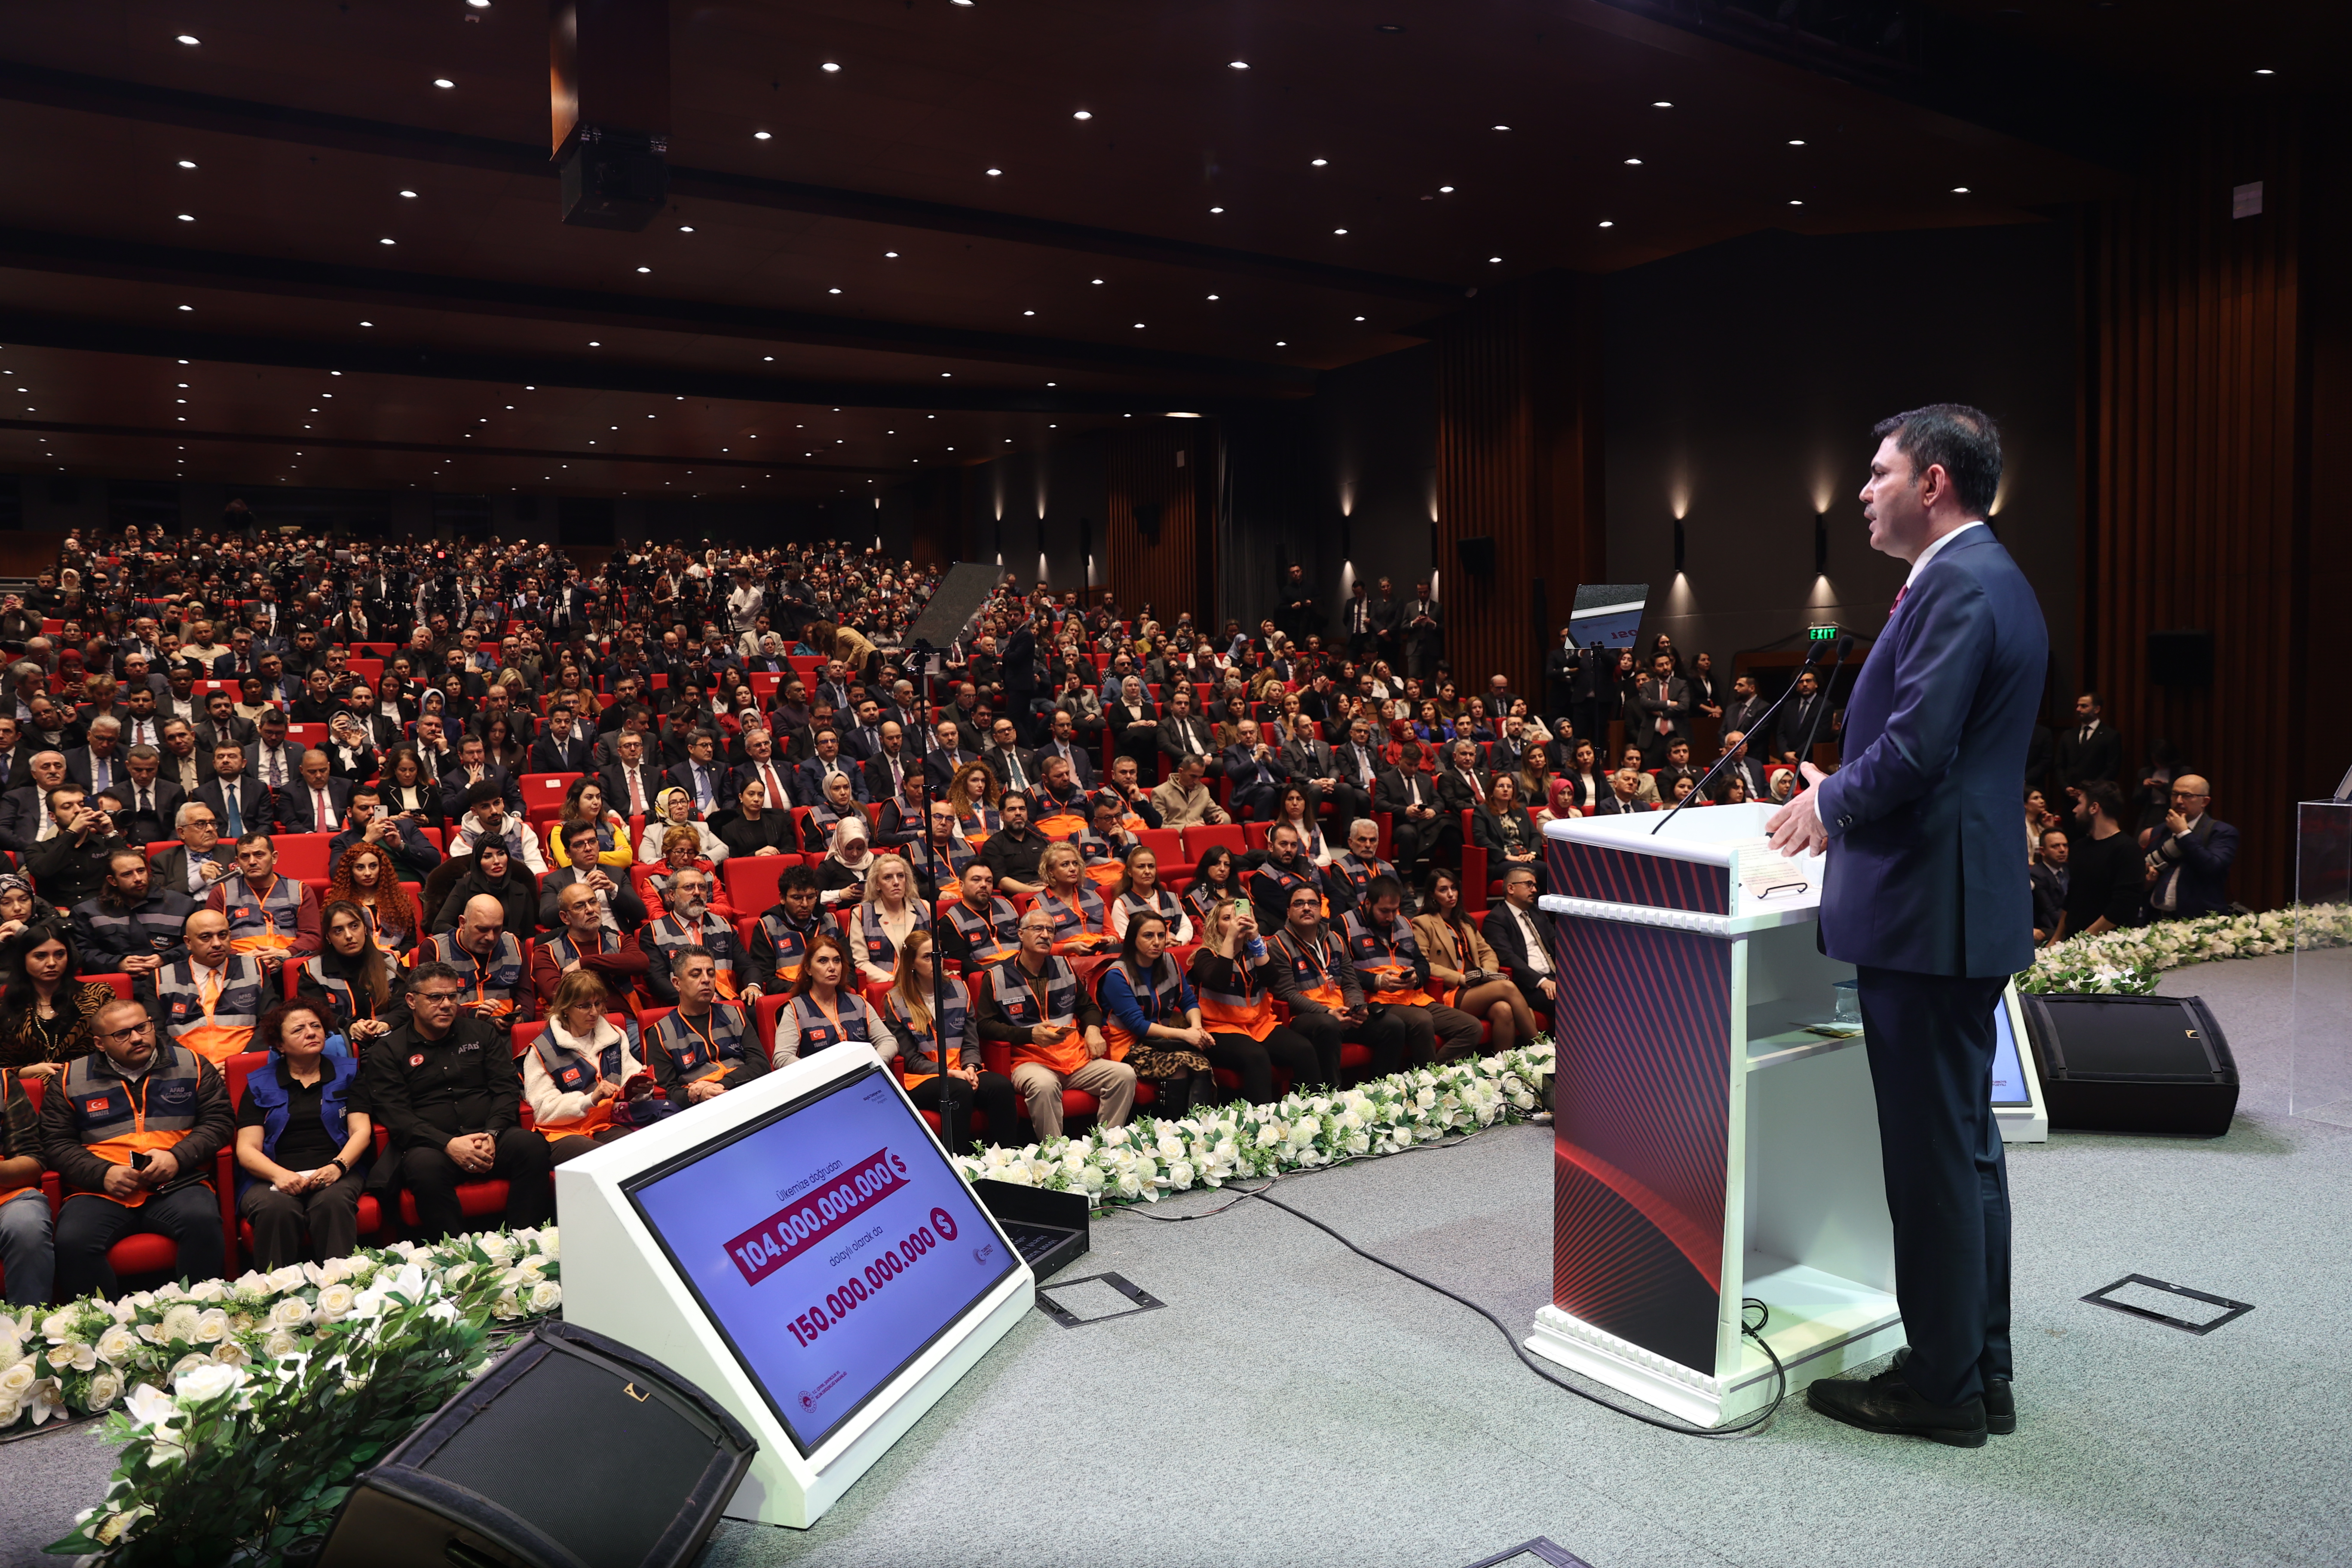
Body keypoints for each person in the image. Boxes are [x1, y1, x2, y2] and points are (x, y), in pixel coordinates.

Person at [1764, 404, 2046, 1446]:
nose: (1861, 491)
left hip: (1927, 915)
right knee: (1964, 1151)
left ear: (1931, 481)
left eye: (1876, 472)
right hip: (1953, 905)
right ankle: (1977, 1368)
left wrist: (1824, 803)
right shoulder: (1986, 578)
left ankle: (1940, 1390)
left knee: (1932, 1160)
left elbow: (1917, 749)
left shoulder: (1959, 583)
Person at [42, 996, 234, 1297]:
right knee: (72, 1241)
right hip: (101, 1190)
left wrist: (178, 1157)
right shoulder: (69, 1079)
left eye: (142, 1028)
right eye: (122, 1034)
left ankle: (203, 1318)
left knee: (203, 1222)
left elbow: (220, 1121)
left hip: (177, 1182)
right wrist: (101, 1173)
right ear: (100, 1043)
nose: (137, 1038)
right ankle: (102, 1332)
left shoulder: (192, 1064)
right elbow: (56, 1142)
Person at [363, 959, 553, 1243]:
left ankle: (523, 1243)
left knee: (532, 1146)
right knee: (424, 1168)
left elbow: (505, 1090)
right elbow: (397, 1117)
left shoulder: (482, 1033)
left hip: (489, 1135)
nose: (446, 1004)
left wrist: (492, 1133)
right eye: (436, 997)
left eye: (452, 996)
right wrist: (448, 1144)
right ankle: (456, 1256)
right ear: (412, 1001)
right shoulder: (388, 1051)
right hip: (432, 1145)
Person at [973, 906, 1136, 1139]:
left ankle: (1105, 1148)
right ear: (1020, 934)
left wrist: (1092, 1029)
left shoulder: (1065, 967)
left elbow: (1088, 1007)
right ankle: (1056, 1158)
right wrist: (1030, 1035)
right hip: (1029, 1061)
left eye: (1051, 930)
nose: (1046, 935)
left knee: (1125, 1075)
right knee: (1044, 1086)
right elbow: (985, 1025)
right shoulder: (996, 976)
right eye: (1037, 929)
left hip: (1074, 1059)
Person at [234, 1001, 372, 1268]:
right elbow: (247, 1148)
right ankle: (278, 1296)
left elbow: (361, 1131)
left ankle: (340, 1290)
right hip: (273, 1177)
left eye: (316, 1026)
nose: (311, 1033)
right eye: (298, 1030)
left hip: (337, 1169)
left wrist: (338, 1166)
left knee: (332, 1202)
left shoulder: (349, 1072)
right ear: (280, 1045)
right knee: (276, 1209)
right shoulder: (259, 1083)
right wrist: (279, 1175)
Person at [881, 930, 1020, 1153]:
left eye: (939, 954)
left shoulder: (960, 989)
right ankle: (960, 1164)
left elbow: (970, 1042)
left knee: (1001, 1087)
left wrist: (971, 1067)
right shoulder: (896, 1000)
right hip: (920, 1078)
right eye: (928, 957)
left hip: (960, 1071)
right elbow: (910, 1060)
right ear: (912, 964)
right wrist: (951, 1073)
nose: (938, 961)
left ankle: (1006, 1162)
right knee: (958, 1089)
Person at [1266, 880, 1414, 1081]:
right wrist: (1327, 1012)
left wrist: (1356, 1007)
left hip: (1343, 1012)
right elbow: (1287, 995)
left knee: (1392, 1025)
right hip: (1306, 1018)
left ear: (1321, 910)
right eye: (1299, 904)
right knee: (1328, 1025)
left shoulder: (1335, 939)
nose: (1307, 908)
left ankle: (1378, 1091)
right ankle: (1332, 1099)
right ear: (1288, 911)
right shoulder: (1278, 945)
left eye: (1313, 903)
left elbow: (1351, 982)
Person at [1341, 875, 1485, 1063]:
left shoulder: (1404, 924)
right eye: (1384, 911)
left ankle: (1433, 1075)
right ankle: (1428, 1083)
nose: (1391, 917)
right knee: (1422, 1020)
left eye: (1395, 910)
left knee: (1472, 1027)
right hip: (1377, 1001)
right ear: (1368, 903)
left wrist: (1416, 977)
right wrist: (1377, 981)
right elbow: (1340, 974)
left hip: (1414, 997)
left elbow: (1422, 963)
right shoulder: (1345, 925)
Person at [1097, 911, 1219, 1113]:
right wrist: (1186, 1035)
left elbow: (1188, 1002)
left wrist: (1197, 1028)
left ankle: (1198, 1129)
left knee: (1203, 1059)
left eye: (1161, 936)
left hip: (1162, 1039)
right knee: (1183, 1062)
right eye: (1148, 936)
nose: (1156, 942)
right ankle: (1170, 1129)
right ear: (1133, 939)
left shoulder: (1170, 962)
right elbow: (1138, 1026)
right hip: (1127, 1045)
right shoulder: (1117, 975)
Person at [522, 970, 645, 1164]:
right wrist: (590, 1100)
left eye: (598, 1003)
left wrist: (641, 1088)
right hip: (560, 1133)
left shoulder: (615, 1035)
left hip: (604, 1124)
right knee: (603, 1160)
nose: (595, 1012)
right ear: (565, 1009)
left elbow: (630, 1076)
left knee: (639, 1153)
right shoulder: (541, 1050)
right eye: (585, 1006)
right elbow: (542, 1111)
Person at [1413, 867, 1534, 1049]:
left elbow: (1488, 952)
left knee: (1504, 1010)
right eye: (1443, 890)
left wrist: (1488, 974)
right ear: (1432, 895)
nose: (1451, 894)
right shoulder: (1422, 923)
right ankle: (1541, 1048)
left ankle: (1504, 1069)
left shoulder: (1465, 921)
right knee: (1507, 986)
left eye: (1454, 888)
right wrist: (1460, 979)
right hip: (1449, 991)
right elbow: (1424, 964)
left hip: (1477, 986)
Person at [645, 946, 768, 1099]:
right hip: (701, 1107)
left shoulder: (735, 1015)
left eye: (711, 973)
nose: (706, 980)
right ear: (677, 984)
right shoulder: (660, 1033)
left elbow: (761, 1063)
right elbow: (668, 1091)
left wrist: (722, 1084)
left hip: (747, 1092)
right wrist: (700, 1094)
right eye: (696, 975)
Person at [156, 907, 270, 1066]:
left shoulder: (255, 969)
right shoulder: (161, 978)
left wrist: (242, 1062)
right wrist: (197, 1066)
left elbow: (270, 1021)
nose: (217, 944)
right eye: (206, 937)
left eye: (222, 935)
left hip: (246, 1064)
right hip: (189, 1069)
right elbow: (156, 1033)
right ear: (188, 943)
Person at [0, 925, 113, 1078]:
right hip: (29, 1089)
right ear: (23, 960)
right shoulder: (5, 1007)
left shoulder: (99, 995)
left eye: (60, 954)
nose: (52, 963)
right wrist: (22, 1072)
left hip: (90, 1080)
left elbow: (117, 1045)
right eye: (41, 956)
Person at [71, 847, 197, 982]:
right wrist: (117, 964)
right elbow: (81, 953)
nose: (138, 878)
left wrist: (166, 958)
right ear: (112, 881)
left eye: (141, 871)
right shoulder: (87, 911)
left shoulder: (182, 905)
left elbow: (200, 943)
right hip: (114, 986)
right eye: (127, 874)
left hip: (171, 982)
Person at [208, 830, 322, 976]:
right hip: (239, 968)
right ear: (237, 862)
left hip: (290, 965)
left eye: (259, 855)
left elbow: (312, 936)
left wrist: (286, 954)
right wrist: (240, 958)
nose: (252, 862)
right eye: (245, 857)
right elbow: (212, 940)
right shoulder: (221, 893)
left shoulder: (300, 891)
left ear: (274, 858)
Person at [410, 893, 532, 1023]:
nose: (491, 937)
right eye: (482, 929)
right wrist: (475, 1015)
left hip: (505, 1029)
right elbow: (430, 1002)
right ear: (463, 923)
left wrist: (521, 1019)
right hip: (455, 1027)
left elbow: (525, 993)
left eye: (497, 929)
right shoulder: (435, 948)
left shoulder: (514, 946)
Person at [532, 879, 652, 1011]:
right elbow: (555, 995)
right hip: (577, 1025)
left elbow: (642, 963)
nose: (590, 910)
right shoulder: (547, 952)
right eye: (579, 906)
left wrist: (586, 963)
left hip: (624, 1019)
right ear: (565, 918)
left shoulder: (620, 941)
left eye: (593, 902)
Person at [298, 900, 399, 1048]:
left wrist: (387, 1023)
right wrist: (349, 1027)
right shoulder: (312, 971)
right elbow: (314, 1015)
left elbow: (406, 1004)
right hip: (342, 1045)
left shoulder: (392, 962)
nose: (349, 936)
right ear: (328, 938)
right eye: (338, 931)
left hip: (390, 1040)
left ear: (365, 929)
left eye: (354, 926)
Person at [2052, 781, 2141, 943]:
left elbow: (2123, 905)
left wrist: (2085, 939)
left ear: (2094, 808)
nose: (2074, 810)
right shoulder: (2079, 847)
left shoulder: (2128, 849)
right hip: (2075, 941)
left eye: (2079, 804)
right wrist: (2057, 938)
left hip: (2110, 945)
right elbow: (2073, 896)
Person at [2141, 775, 2236, 920]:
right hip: (2155, 919)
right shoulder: (2159, 832)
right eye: (2175, 795)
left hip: (2198, 923)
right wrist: (2147, 882)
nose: (2179, 801)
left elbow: (2212, 868)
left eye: (2187, 796)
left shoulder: (2221, 832)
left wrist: (2183, 834)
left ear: (2205, 801)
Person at [1480, 865, 1558, 1018]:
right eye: (1529, 884)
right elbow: (1507, 957)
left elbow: (1554, 942)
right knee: (1570, 1002)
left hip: (1553, 975)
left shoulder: (1536, 912)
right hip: (1528, 984)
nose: (1534, 890)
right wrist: (1541, 981)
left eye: (1535, 885)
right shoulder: (1497, 919)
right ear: (1511, 888)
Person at [431, 836, 538, 938]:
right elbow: (439, 925)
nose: (497, 861)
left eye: (501, 854)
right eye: (488, 856)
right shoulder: (464, 887)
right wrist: (468, 937)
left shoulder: (521, 890)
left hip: (509, 951)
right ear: (478, 862)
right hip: (471, 950)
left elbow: (529, 935)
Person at [851, 853, 929, 989]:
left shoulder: (924, 908)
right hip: (885, 985)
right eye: (888, 877)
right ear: (877, 885)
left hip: (922, 982)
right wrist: (894, 982)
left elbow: (934, 952)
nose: (896, 882)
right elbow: (862, 962)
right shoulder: (862, 914)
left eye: (901, 876)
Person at [748, 865, 826, 990]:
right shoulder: (767, 927)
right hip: (790, 997)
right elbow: (765, 978)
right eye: (797, 898)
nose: (805, 904)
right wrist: (805, 990)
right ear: (783, 898)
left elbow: (848, 968)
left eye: (811, 897)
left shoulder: (830, 921)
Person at [1033, 842, 1115, 955]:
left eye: (1075, 864)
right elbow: (1036, 947)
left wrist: (1111, 939)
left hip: (1101, 953)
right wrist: (1068, 948)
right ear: (1051, 871)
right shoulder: (1039, 904)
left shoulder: (1094, 896)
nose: (1073, 869)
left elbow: (1111, 932)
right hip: (1066, 961)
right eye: (1065, 865)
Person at [2029, 830, 2067, 946]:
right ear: (2042, 851)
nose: (2062, 850)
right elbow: (2050, 911)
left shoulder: (2069, 869)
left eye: (2065, 845)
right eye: (2055, 846)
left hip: (2068, 920)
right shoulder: (2037, 874)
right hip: (2048, 925)